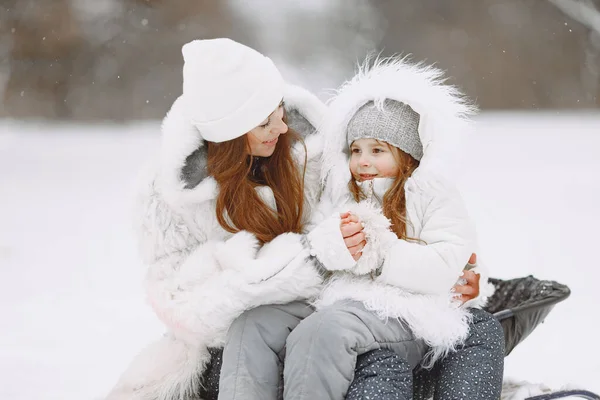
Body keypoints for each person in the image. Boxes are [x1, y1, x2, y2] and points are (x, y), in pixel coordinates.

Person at [216, 56, 502, 400]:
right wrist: (334, 246)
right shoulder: (342, 193)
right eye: (355, 150)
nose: (363, 161)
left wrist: (381, 256)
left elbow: (449, 263)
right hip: (334, 299)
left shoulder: (430, 194)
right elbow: (315, 241)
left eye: (377, 150)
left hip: (405, 311)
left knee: (323, 331)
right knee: (254, 325)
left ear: (407, 156)